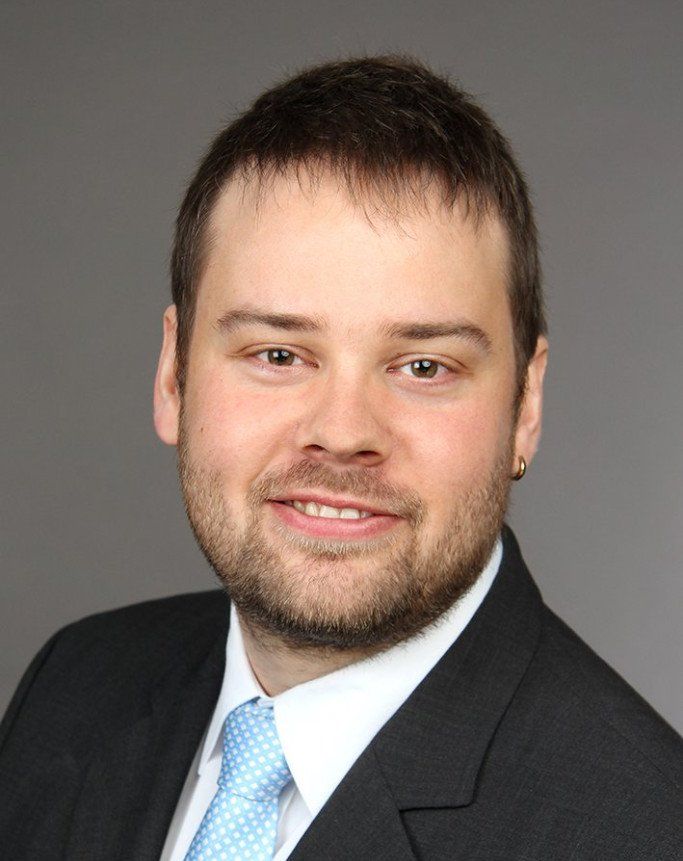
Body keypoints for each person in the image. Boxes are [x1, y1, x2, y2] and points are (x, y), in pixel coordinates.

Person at [0, 56, 680, 861]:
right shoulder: (73, 685)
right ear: (172, 376)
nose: (343, 430)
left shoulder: (642, 832)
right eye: (278, 354)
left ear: (524, 408)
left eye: (423, 366)